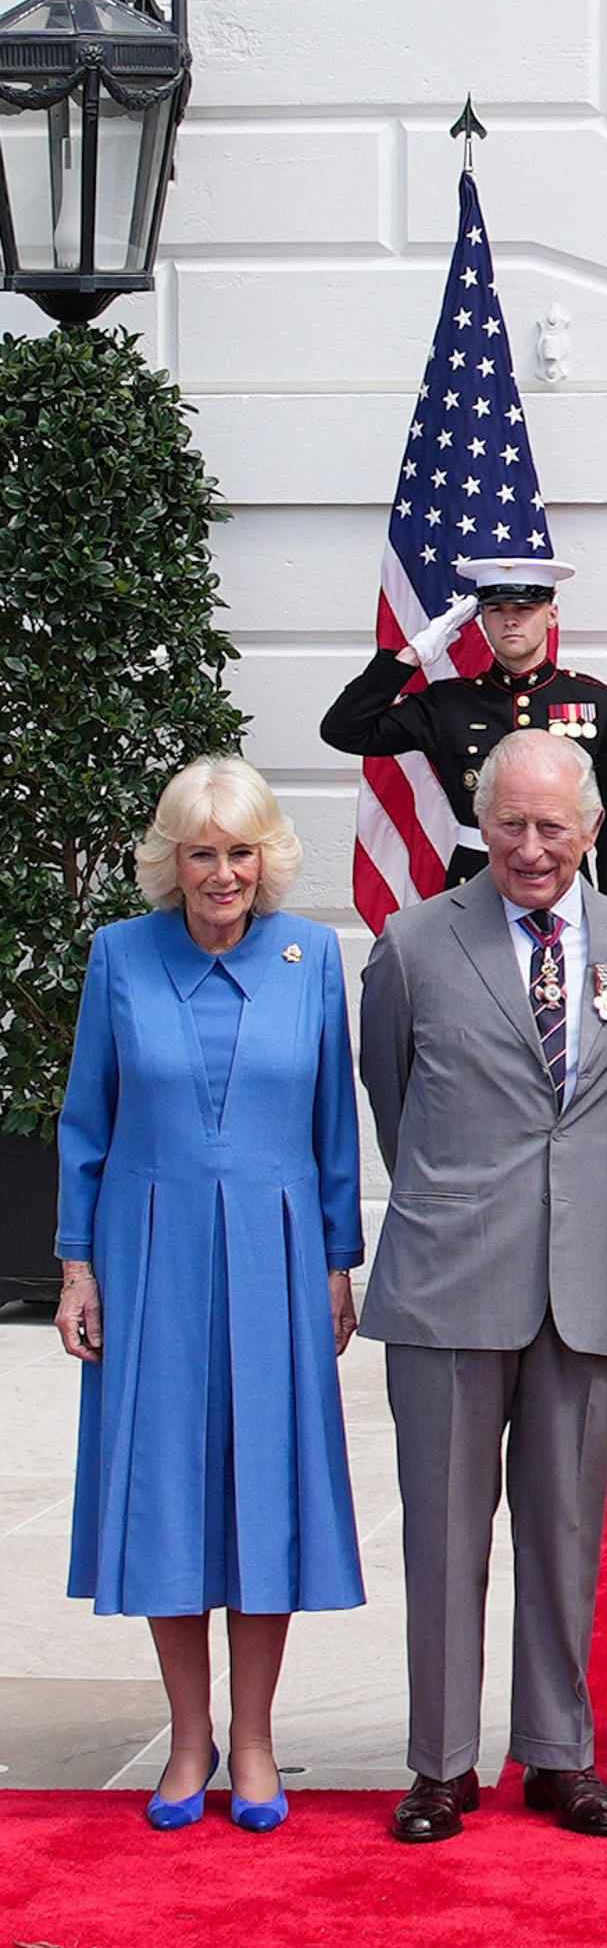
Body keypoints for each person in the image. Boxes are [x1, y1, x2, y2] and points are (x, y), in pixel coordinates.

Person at [358, 731, 607, 1846]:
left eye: (553, 826)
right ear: (478, 823)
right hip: (452, 1275)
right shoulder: (410, 946)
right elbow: (392, 1101)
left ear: (593, 829)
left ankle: (558, 1754)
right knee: (444, 1533)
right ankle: (441, 1764)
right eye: (510, 824)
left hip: (585, 1273)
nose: (531, 847)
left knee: (564, 1530)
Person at [54, 757, 364, 1835]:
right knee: (172, 1491)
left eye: (240, 851)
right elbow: (85, 1123)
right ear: (172, 860)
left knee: (264, 1492)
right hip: (150, 1256)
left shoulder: (313, 955)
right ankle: (189, 1742)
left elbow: (336, 1128)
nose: (222, 873)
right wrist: (76, 1266)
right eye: (202, 852)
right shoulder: (117, 958)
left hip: (279, 1260)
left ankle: (258, 1742)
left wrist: (338, 1259)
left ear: (266, 856)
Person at [320, 553, 607, 903]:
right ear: (482, 618)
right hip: (474, 885)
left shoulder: (596, 704)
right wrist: (411, 656)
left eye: (524, 609)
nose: (511, 622)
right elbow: (343, 729)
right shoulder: (448, 703)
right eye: (497, 610)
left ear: (552, 613)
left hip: (563, 884)